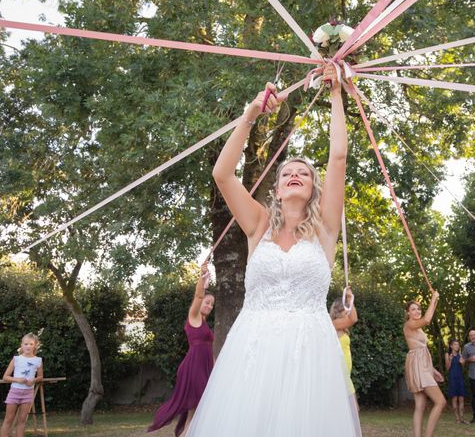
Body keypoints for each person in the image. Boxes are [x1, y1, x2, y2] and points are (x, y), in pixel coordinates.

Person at [186, 64, 360, 436]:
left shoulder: (325, 230)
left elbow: (338, 158)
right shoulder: (259, 225)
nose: (295, 174)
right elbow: (222, 175)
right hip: (253, 349)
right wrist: (250, 115)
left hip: (308, 352)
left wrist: (335, 95)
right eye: (286, 173)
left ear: (314, 188)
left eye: (304, 173)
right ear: (278, 189)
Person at [148, 264, 215, 436]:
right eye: (207, 302)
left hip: (205, 368)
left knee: (196, 409)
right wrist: (203, 276)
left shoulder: (205, 323)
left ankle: (185, 433)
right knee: (199, 405)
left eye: (212, 305)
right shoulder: (193, 316)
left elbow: (209, 349)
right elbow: (199, 294)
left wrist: (215, 370)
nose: (209, 306)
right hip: (193, 368)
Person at [403, 293, 446, 437]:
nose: (417, 312)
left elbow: (422, 349)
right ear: (408, 312)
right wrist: (433, 299)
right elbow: (427, 320)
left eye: (418, 309)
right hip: (417, 365)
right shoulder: (409, 324)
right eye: (413, 309)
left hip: (422, 365)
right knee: (440, 402)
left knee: (420, 406)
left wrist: (433, 370)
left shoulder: (418, 327)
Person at [0, 333, 43, 437]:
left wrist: (34, 380)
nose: (28, 346)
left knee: (22, 420)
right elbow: (5, 377)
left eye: (31, 344)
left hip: (28, 394)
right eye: (26, 344)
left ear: (35, 345)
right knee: (8, 419)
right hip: (14, 392)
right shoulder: (16, 359)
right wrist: (17, 379)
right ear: (22, 345)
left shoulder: (38, 360)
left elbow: (40, 377)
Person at [330, 288, 360, 428]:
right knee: (350, 411)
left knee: (352, 411)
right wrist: (349, 298)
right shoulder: (335, 324)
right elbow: (354, 318)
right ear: (338, 310)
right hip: (339, 374)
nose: (348, 311)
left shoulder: (341, 328)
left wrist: (350, 300)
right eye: (346, 309)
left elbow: (352, 317)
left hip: (345, 375)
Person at [445, 338, 467, 424]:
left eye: (458, 345)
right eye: (455, 344)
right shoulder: (447, 354)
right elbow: (447, 368)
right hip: (452, 378)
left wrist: (463, 362)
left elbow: (463, 367)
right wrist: (450, 359)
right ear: (451, 346)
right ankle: (457, 419)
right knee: (454, 398)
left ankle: (462, 418)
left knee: (461, 398)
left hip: (460, 378)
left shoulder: (460, 355)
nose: (457, 346)